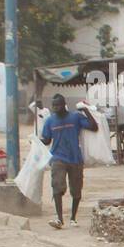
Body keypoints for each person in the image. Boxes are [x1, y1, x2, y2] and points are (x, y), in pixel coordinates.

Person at [39, 93, 97, 230]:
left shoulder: (75, 117)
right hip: (58, 158)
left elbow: (94, 127)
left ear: (64, 104)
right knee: (57, 187)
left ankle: (73, 218)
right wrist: (36, 141)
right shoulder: (49, 121)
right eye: (53, 105)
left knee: (76, 190)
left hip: (75, 158)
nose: (55, 108)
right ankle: (59, 218)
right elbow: (47, 140)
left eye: (57, 105)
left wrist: (86, 111)